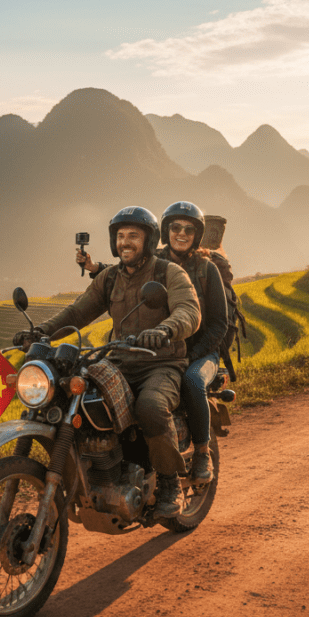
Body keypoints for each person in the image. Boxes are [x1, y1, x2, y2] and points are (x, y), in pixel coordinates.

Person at [21, 206, 201, 516]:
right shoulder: (109, 278)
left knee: (150, 406)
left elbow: (189, 311)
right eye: (120, 236)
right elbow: (77, 313)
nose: (125, 242)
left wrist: (164, 329)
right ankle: (98, 471)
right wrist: (40, 332)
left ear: (148, 239)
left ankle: (170, 482)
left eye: (133, 235)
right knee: (74, 399)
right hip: (118, 362)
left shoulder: (168, 272)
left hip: (160, 364)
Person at [156, 201, 228, 484]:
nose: (181, 233)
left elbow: (219, 324)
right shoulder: (155, 265)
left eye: (188, 229)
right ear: (166, 231)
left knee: (193, 382)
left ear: (197, 235)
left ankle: (201, 452)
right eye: (175, 227)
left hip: (202, 353)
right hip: (162, 352)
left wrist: (193, 354)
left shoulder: (206, 269)